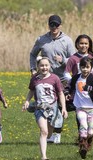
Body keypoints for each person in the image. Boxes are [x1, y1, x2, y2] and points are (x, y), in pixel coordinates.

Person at [30, 14, 75, 144]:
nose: (54, 27)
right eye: (51, 24)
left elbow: (73, 59)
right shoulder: (41, 39)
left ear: (60, 25)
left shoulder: (67, 40)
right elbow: (33, 54)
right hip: (46, 78)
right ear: (48, 25)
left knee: (60, 105)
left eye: (56, 25)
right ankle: (48, 132)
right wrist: (33, 69)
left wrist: (63, 60)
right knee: (47, 104)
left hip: (62, 78)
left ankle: (57, 133)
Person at [22, 57, 68, 160]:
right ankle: (44, 157)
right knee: (44, 131)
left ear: (50, 66)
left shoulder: (55, 78)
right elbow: (31, 91)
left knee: (49, 132)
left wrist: (64, 108)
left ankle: (46, 139)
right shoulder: (35, 79)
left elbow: (60, 93)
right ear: (38, 67)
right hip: (40, 108)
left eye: (46, 65)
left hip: (53, 108)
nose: (44, 67)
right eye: (42, 65)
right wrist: (27, 101)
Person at [66, 56, 93, 159]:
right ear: (79, 67)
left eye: (87, 67)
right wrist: (67, 93)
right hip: (80, 107)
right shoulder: (76, 77)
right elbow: (69, 86)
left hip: (91, 108)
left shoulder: (92, 78)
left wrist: (90, 88)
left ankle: (88, 144)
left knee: (90, 130)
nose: (85, 69)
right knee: (83, 126)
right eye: (83, 67)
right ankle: (82, 147)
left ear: (91, 68)